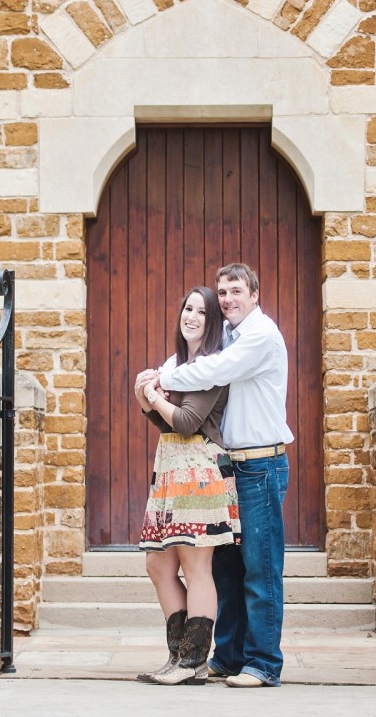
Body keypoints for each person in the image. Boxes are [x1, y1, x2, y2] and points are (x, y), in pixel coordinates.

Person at [155, 262, 292, 689]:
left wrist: (159, 377)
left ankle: (264, 664)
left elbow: (214, 370)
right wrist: (158, 378)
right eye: (223, 292)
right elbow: (196, 359)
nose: (228, 299)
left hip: (261, 465)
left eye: (236, 291)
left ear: (255, 294)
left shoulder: (259, 335)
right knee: (227, 571)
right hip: (227, 467)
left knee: (260, 570)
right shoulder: (228, 335)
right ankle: (228, 657)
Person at [133, 285, 240, 686]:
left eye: (202, 312)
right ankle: (179, 656)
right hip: (171, 470)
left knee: (196, 568)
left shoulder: (213, 365)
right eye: (188, 308)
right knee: (158, 563)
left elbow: (187, 421)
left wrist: (152, 395)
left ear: (213, 323)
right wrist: (147, 401)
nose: (192, 316)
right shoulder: (178, 363)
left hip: (199, 471)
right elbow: (165, 422)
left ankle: (194, 660)